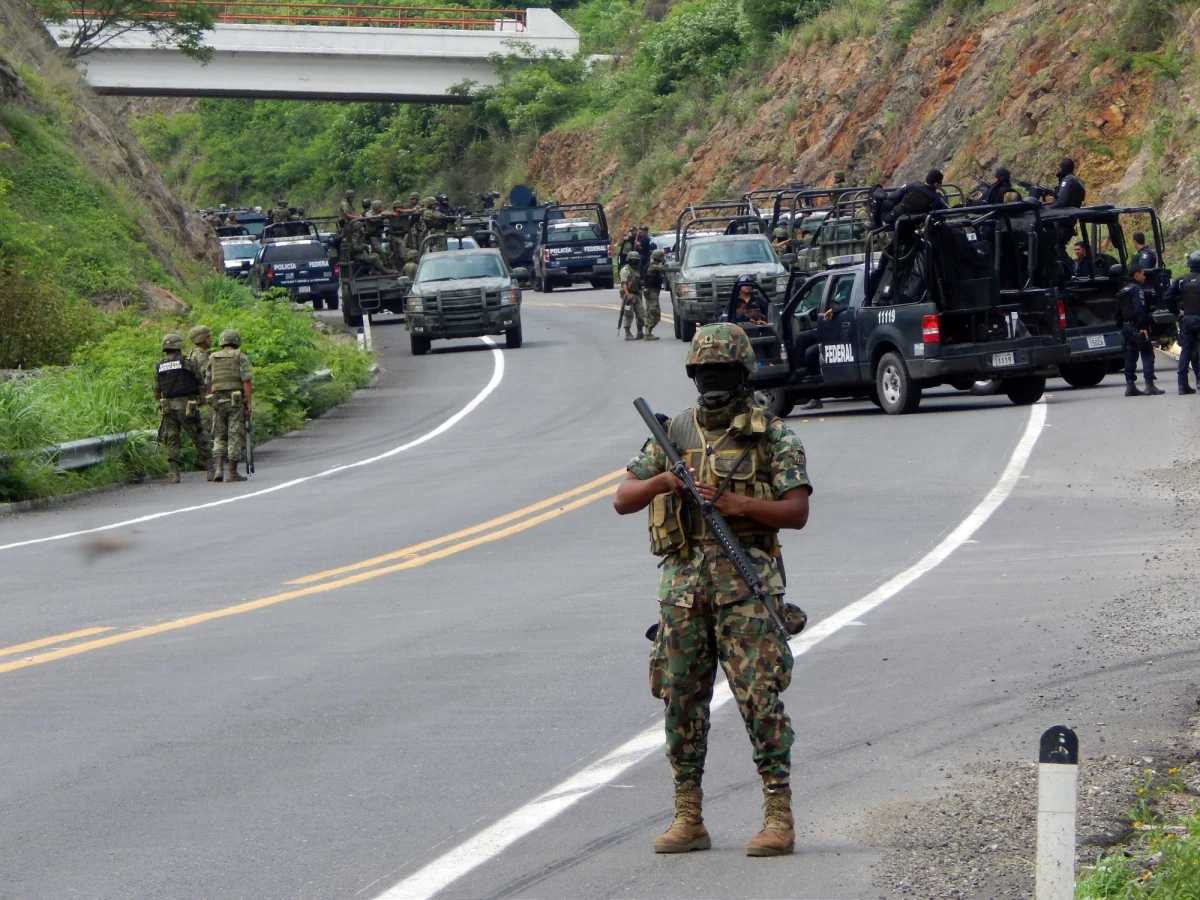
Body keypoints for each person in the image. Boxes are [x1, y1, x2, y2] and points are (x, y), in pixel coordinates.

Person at [613, 322, 811, 857]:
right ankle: (688, 815)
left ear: (743, 374)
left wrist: (737, 506)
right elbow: (623, 498)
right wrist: (664, 482)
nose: (712, 381)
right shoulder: (673, 433)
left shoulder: (771, 434)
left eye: (722, 372)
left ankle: (778, 815)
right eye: (703, 372)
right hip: (683, 592)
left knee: (759, 700)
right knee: (680, 700)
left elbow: (796, 511)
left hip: (747, 589)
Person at [154, 333, 211, 484]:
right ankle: (211, 469)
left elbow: (157, 390)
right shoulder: (187, 362)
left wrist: (161, 402)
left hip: (168, 408)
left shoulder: (160, 366)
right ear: (178, 346)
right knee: (198, 434)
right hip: (186, 406)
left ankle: (175, 474)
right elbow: (200, 380)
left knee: (172, 439)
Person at [206, 329, 253, 483]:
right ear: (236, 342)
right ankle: (231, 472)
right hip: (235, 401)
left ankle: (218, 470)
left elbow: (208, 382)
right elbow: (246, 380)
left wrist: (211, 398)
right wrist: (249, 402)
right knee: (235, 434)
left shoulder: (212, 357)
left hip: (217, 401)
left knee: (219, 435)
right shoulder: (240, 356)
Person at [1115, 266, 1164, 396]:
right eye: (1143, 274)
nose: (1145, 277)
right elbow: (1140, 308)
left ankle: (1130, 385)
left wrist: (1120, 326)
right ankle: (1150, 385)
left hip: (1126, 327)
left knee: (1130, 355)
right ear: (1136, 275)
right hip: (1137, 326)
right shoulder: (1137, 289)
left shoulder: (1122, 290)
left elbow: (1117, 312)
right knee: (1147, 353)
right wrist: (1142, 327)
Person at [1164, 250, 1200, 394]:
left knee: (1186, 350)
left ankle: (1182, 384)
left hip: (1187, 320)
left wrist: (1177, 312)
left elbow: (1167, 297)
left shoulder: (1181, 280)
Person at [187, 325, 217, 481]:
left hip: (193, 397)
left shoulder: (191, 353)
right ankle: (209, 461)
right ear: (202, 339)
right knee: (207, 428)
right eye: (208, 336)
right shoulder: (202, 356)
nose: (211, 339)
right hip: (203, 398)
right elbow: (207, 378)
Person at [620, 250, 645, 341]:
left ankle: (640, 332)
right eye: (633, 260)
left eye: (636, 260)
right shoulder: (625, 270)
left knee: (641, 315)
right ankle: (627, 333)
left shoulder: (635, 270)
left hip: (637, 295)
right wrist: (627, 294)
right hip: (629, 295)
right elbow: (624, 283)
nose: (635, 261)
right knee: (628, 314)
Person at [643, 249, 666, 341]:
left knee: (649, 312)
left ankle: (647, 332)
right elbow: (663, 268)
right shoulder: (653, 267)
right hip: (652, 292)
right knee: (655, 313)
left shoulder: (650, 266)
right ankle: (648, 332)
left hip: (652, 291)